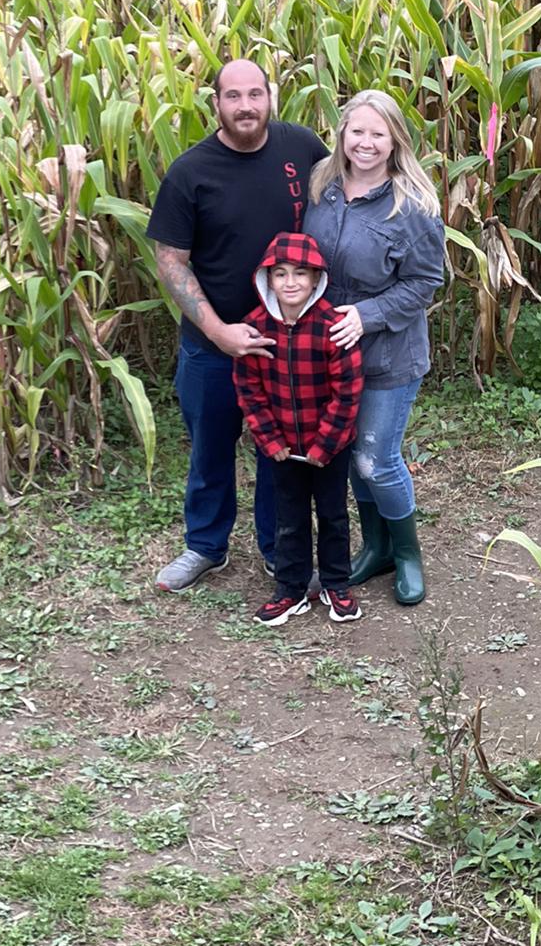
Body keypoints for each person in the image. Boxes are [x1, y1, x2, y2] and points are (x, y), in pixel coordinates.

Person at [147, 59, 330, 593]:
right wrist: (219, 331)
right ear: (216, 104)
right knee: (210, 446)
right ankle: (205, 546)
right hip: (212, 346)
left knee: (280, 450)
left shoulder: (302, 147)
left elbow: (346, 200)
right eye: (233, 96)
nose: (245, 106)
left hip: (288, 342)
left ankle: (281, 551)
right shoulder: (190, 172)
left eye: (255, 94)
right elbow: (171, 262)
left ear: (271, 97)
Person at [304, 90, 445, 608]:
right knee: (349, 452)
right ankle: (377, 547)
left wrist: (365, 317)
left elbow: (425, 283)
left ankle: (408, 554)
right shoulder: (322, 185)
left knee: (377, 460)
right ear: (342, 134)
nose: (365, 143)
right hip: (330, 351)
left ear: (394, 142)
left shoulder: (413, 207)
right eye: (356, 131)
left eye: (377, 134)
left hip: (390, 353)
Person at [234, 232, 364, 625]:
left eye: (301, 274)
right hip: (282, 449)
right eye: (281, 274)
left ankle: (336, 583)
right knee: (288, 518)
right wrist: (269, 440)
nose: (290, 283)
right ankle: (291, 590)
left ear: (316, 278)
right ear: (267, 279)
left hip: (329, 448)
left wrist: (325, 445)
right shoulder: (254, 328)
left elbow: (348, 393)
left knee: (333, 515)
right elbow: (249, 390)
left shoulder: (333, 326)